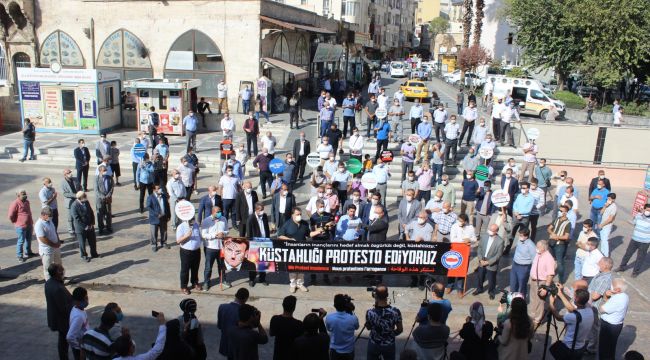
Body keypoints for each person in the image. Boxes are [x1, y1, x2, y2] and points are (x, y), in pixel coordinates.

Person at [548, 288, 594, 359]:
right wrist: (561, 293)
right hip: (581, 346)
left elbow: (558, 317)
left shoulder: (573, 316)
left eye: (574, 296)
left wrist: (551, 303)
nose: (573, 298)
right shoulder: (590, 310)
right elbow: (572, 306)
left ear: (577, 299)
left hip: (569, 347)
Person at [278, 208, 315, 292]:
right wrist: (289, 239)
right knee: (293, 268)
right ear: (292, 215)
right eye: (297, 214)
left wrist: (318, 231)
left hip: (302, 250)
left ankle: (300, 284)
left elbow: (308, 234)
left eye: (300, 214)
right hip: (291, 251)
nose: (299, 216)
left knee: (301, 268)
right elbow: (280, 235)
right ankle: (293, 284)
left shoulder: (304, 223)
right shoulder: (287, 224)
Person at [365, 285, 403, 360]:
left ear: (375, 296)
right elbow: (400, 330)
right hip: (389, 344)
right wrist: (390, 334)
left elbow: (368, 328)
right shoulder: (395, 311)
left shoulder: (370, 312)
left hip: (374, 343)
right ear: (387, 295)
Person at [45, 263, 73, 360]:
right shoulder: (58, 288)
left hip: (55, 316)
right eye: (61, 270)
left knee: (62, 340)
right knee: (63, 342)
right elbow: (64, 308)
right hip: (62, 320)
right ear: (57, 273)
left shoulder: (49, 283)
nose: (63, 271)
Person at [598, 277, 629, 360]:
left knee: (604, 349)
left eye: (612, 285)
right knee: (610, 348)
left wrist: (606, 297)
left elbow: (601, 309)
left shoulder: (617, 299)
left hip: (609, 326)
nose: (610, 286)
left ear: (617, 289)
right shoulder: (624, 296)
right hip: (616, 325)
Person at [616, 203, 650, 278]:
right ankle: (622, 267)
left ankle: (635, 272)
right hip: (634, 239)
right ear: (644, 209)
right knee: (628, 254)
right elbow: (634, 223)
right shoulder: (638, 216)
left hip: (645, 242)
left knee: (640, 257)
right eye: (647, 210)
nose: (648, 212)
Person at [201, 205, 229, 290]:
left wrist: (223, 233)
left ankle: (223, 280)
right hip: (210, 247)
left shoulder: (223, 219)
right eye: (218, 212)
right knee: (208, 266)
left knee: (222, 265)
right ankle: (206, 282)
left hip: (221, 247)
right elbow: (203, 235)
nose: (220, 213)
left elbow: (227, 230)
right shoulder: (206, 221)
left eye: (220, 211)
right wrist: (215, 235)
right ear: (213, 212)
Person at [529, 240, 556, 326]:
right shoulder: (539, 254)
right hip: (533, 280)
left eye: (538, 247)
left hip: (542, 282)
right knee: (533, 300)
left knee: (540, 302)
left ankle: (537, 319)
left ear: (544, 248)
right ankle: (531, 316)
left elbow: (550, 274)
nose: (536, 249)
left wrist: (545, 288)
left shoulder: (549, 258)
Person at [474, 224, 504, 299]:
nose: (489, 231)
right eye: (489, 229)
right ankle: (479, 289)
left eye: (492, 230)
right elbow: (479, 248)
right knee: (480, 276)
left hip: (491, 263)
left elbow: (498, 255)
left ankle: (491, 291)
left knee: (491, 279)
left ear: (496, 231)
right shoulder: (484, 236)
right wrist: (480, 259)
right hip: (482, 260)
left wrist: (488, 262)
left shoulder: (500, 241)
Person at [325, 294, 359, 360]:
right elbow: (356, 327)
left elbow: (328, 329)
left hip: (335, 350)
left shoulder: (329, 317)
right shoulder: (353, 318)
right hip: (349, 350)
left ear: (334, 305)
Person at [218, 288, 250, 358]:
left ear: (236, 295)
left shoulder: (222, 307)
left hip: (225, 343)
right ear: (246, 299)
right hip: (237, 347)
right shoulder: (243, 312)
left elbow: (219, 326)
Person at [270, 296, 304, 360]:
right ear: (294, 308)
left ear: (282, 305)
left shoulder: (275, 319)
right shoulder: (298, 324)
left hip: (278, 355)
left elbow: (271, 333)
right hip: (292, 355)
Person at [34, 205, 62, 280]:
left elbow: (54, 231)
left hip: (56, 247)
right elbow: (42, 238)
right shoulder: (39, 224)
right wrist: (54, 245)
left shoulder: (49, 221)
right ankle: (49, 282)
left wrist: (58, 241)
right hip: (47, 250)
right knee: (48, 268)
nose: (51, 217)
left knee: (58, 264)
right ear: (43, 215)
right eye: (49, 215)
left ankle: (60, 278)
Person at [246, 204, 270, 287]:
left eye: (263, 209)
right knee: (253, 262)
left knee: (263, 262)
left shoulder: (265, 216)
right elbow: (249, 234)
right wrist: (251, 244)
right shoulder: (251, 219)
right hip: (255, 243)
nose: (262, 211)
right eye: (261, 209)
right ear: (256, 210)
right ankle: (252, 279)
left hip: (265, 242)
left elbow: (266, 228)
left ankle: (262, 278)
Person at [71, 191, 99, 262]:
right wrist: (85, 226)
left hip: (90, 226)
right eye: (84, 197)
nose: (86, 198)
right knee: (82, 243)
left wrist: (92, 223)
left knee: (92, 241)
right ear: (80, 198)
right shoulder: (74, 205)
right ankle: (84, 255)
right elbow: (77, 218)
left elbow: (91, 212)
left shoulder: (86, 202)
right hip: (81, 228)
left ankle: (94, 253)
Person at [176, 217, 202, 295]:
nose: (193, 220)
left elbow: (199, 236)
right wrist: (187, 236)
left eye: (193, 218)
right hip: (186, 252)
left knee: (195, 268)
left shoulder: (196, 225)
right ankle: (184, 286)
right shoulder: (181, 226)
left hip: (196, 250)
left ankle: (195, 282)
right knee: (185, 270)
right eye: (191, 219)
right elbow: (178, 241)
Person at [8, 189, 35, 263]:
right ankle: (19, 256)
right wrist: (14, 221)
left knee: (29, 240)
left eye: (25, 193)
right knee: (21, 241)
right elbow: (10, 215)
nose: (25, 195)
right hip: (20, 226)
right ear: (18, 195)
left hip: (29, 224)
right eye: (23, 194)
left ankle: (28, 252)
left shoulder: (27, 202)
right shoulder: (15, 203)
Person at [547, 205, 572, 283]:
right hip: (551, 243)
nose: (560, 212)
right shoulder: (556, 219)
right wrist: (552, 233)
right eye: (559, 210)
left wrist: (556, 237)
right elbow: (549, 228)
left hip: (560, 245)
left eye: (561, 211)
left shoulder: (568, 223)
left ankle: (561, 280)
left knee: (560, 263)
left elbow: (566, 237)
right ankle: (549, 275)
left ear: (566, 212)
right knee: (550, 261)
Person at [509, 228, 536, 297]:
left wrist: (533, 272)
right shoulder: (519, 240)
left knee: (522, 285)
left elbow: (534, 259)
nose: (519, 237)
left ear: (526, 236)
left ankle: (521, 300)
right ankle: (512, 299)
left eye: (521, 235)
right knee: (513, 284)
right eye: (519, 235)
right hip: (515, 265)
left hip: (524, 267)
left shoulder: (531, 245)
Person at [66, 287, 89, 360]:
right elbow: (69, 337)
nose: (86, 301)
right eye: (83, 300)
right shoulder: (78, 317)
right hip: (80, 349)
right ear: (76, 301)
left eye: (86, 298)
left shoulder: (77, 309)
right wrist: (80, 347)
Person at [147, 184, 170, 252]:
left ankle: (164, 243)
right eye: (158, 188)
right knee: (154, 233)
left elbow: (167, 206)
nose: (160, 189)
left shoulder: (163, 196)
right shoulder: (150, 197)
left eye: (160, 188)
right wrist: (156, 214)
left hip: (163, 218)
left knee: (164, 231)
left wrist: (169, 215)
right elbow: (149, 207)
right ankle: (154, 244)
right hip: (154, 218)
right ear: (154, 190)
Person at [597, 193, 617, 257]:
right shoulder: (606, 205)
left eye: (609, 199)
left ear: (613, 199)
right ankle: (602, 253)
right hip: (602, 224)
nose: (608, 200)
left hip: (607, 225)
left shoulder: (614, 207)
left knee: (605, 240)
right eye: (607, 198)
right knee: (602, 239)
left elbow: (610, 219)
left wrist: (602, 225)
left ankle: (606, 255)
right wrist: (605, 206)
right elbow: (601, 213)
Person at [95, 165, 114, 235]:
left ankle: (109, 227)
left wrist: (108, 195)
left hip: (108, 199)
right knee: (100, 214)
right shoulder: (96, 179)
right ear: (100, 171)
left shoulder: (109, 178)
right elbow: (96, 190)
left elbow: (112, 187)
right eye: (104, 170)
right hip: (100, 200)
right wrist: (103, 196)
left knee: (108, 213)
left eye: (106, 170)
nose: (105, 172)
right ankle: (101, 228)